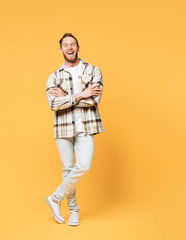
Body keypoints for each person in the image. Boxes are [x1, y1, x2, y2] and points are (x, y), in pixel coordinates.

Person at [45, 33, 104, 226]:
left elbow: (94, 99)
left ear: (78, 48)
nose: (69, 48)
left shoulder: (93, 70)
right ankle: (73, 211)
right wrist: (81, 94)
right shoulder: (54, 77)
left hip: (86, 127)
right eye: (65, 45)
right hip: (63, 130)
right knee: (68, 169)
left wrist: (67, 97)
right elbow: (54, 104)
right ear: (60, 50)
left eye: (73, 44)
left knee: (84, 166)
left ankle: (55, 198)